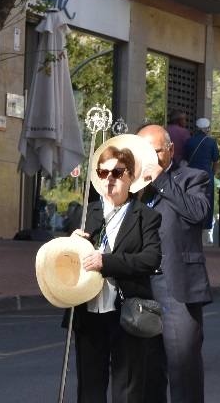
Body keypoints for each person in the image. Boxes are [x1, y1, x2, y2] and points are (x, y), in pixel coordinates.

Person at [70, 144, 163, 403]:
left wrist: (106, 262)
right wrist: (71, 245)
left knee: (128, 388)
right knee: (89, 388)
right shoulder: (86, 213)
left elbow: (150, 259)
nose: (109, 179)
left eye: (117, 172)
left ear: (130, 176)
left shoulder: (146, 216)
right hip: (88, 311)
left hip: (127, 310)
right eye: (102, 173)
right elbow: (68, 263)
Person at [138, 123, 211, 403]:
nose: (149, 159)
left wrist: (161, 181)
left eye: (155, 152)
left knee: (183, 367)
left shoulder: (193, 177)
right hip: (141, 285)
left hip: (176, 283)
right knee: (147, 368)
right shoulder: (133, 184)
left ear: (169, 150)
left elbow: (198, 213)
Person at [183, 117, 220, 230]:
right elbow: (216, 161)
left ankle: (192, 224)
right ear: (207, 129)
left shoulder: (189, 141)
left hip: (191, 176)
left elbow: (185, 159)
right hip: (206, 176)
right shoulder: (211, 142)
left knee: (191, 200)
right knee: (207, 201)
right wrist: (212, 174)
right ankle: (205, 226)